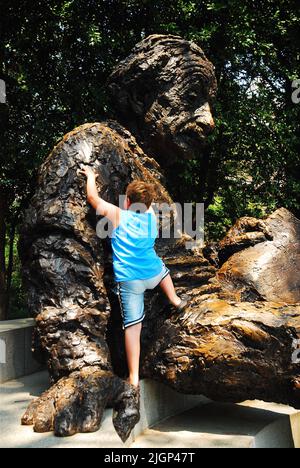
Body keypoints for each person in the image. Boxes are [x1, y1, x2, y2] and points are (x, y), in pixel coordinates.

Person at [79, 166, 188, 388]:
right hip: (153, 275)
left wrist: (91, 176)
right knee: (163, 269)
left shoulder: (119, 215)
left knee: (133, 327)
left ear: (127, 202)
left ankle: (134, 376)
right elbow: (146, 206)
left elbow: (92, 197)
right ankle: (175, 299)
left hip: (131, 282)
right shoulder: (151, 219)